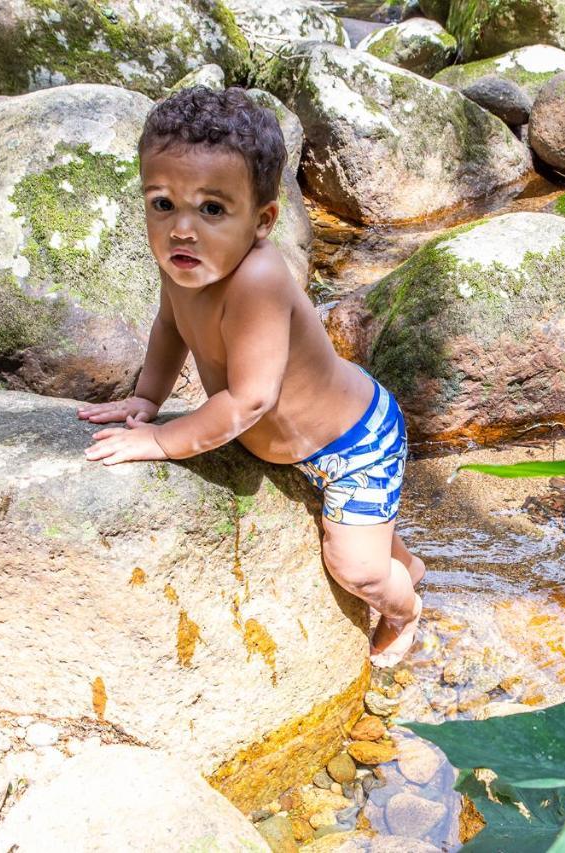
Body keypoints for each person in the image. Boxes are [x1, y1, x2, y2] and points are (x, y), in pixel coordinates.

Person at [77, 86, 424, 666]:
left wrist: (161, 440)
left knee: (354, 566)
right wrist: (144, 399)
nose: (181, 229)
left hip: (355, 442)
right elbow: (169, 328)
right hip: (308, 445)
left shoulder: (257, 280)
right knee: (371, 540)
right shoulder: (185, 262)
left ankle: (405, 608)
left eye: (212, 209)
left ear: (263, 220)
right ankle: (407, 566)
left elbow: (249, 401)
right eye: (162, 203)